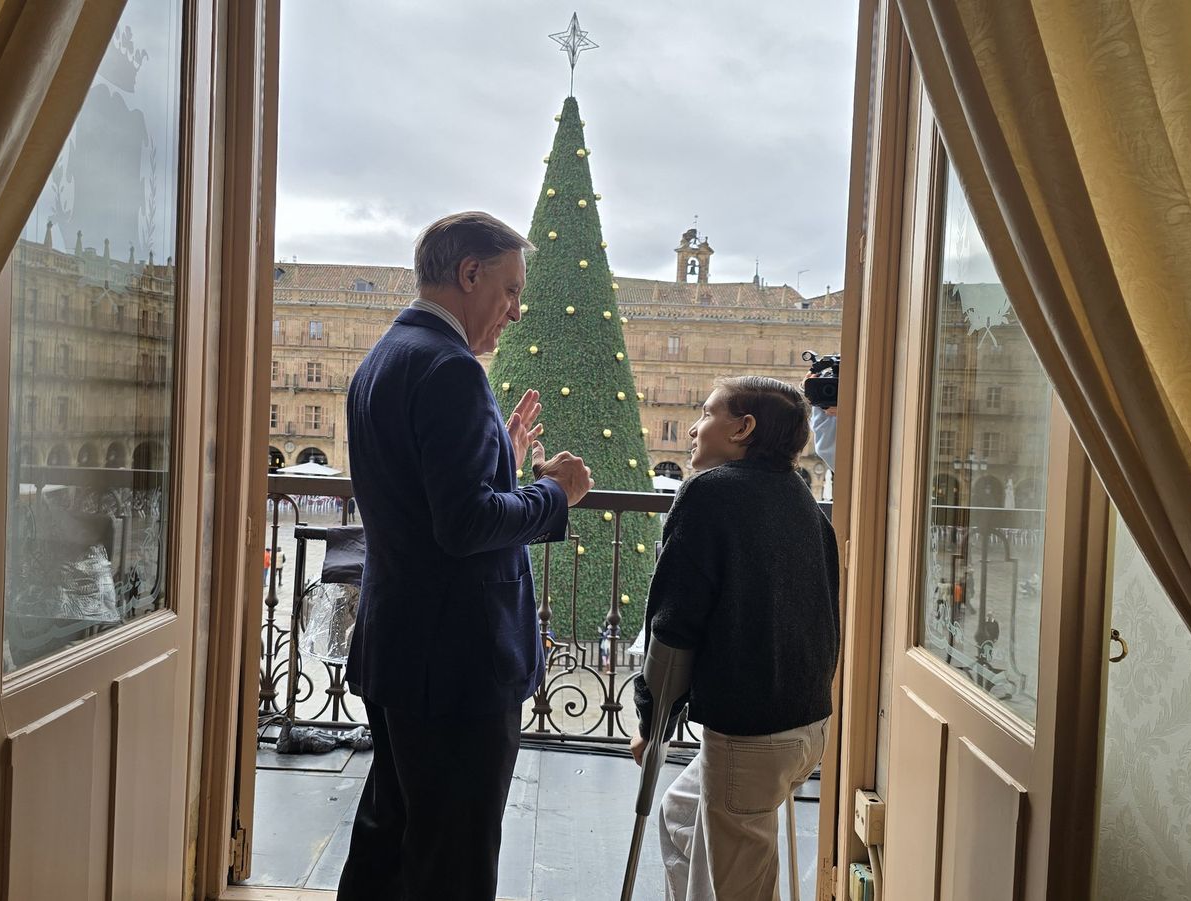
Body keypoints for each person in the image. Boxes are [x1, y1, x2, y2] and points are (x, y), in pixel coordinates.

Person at [337, 211, 594, 901]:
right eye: (509, 291)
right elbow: (464, 524)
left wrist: (500, 462)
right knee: (453, 859)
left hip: (401, 648)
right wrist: (553, 492)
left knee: (387, 839)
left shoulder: (385, 356)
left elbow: (429, 505)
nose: (514, 312)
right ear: (469, 273)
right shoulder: (451, 369)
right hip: (456, 665)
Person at [631, 376, 841, 901]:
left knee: (743, 890)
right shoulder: (802, 501)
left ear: (743, 428)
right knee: (682, 816)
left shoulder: (710, 493)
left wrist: (652, 718)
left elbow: (673, 627)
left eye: (707, 413)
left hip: (751, 738)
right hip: (806, 730)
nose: (695, 427)